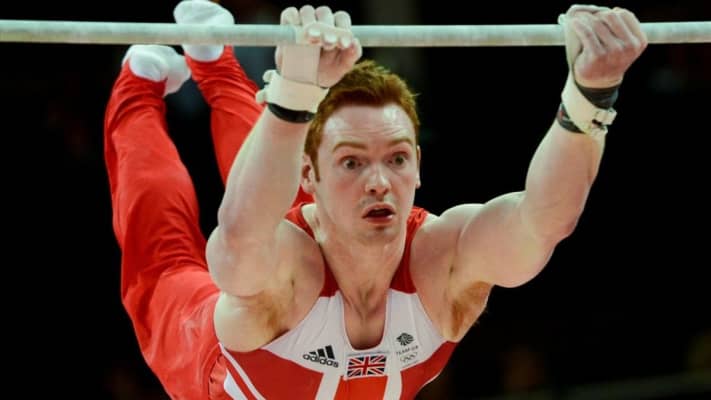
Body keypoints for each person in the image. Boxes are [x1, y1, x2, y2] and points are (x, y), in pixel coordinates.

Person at [103, 0, 647, 398]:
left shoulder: (442, 260)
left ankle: (206, 62)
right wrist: (294, 93)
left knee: (275, 197)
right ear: (310, 175)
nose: (380, 181)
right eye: (354, 162)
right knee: (166, 261)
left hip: (301, 245)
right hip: (212, 360)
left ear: (419, 165)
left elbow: (543, 220)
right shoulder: (286, 268)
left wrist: (590, 94)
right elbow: (240, 232)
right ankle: (141, 83)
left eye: (397, 158)